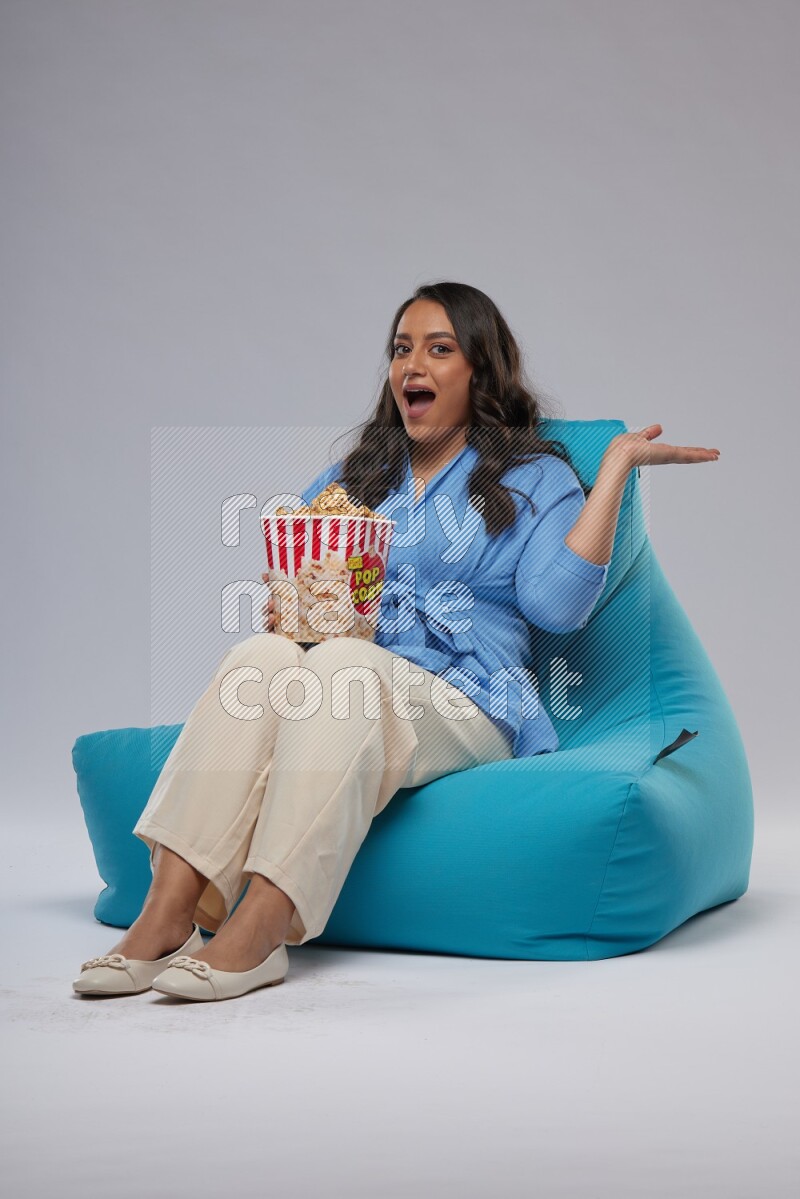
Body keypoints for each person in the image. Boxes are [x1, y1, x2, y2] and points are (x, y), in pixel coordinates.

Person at [72, 281, 720, 1003]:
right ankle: (166, 910)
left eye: (439, 348)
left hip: (471, 700)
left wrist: (615, 472)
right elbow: (308, 582)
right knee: (259, 657)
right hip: (344, 685)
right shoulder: (357, 477)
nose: (412, 364)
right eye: (401, 348)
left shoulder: (534, 477)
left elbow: (559, 606)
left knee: (345, 665)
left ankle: (262, 924)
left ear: (478, 370)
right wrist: (297, 602)